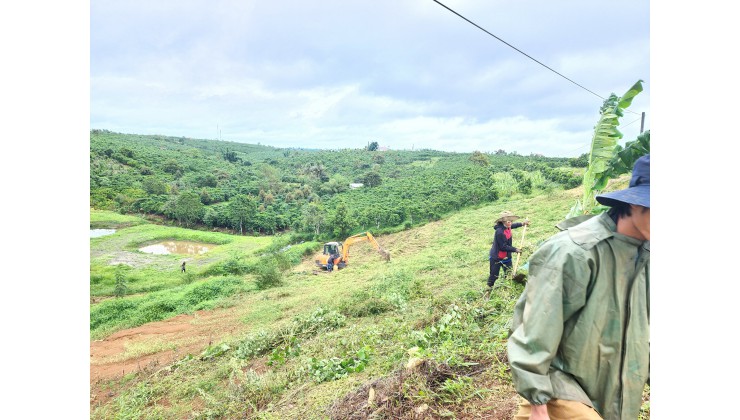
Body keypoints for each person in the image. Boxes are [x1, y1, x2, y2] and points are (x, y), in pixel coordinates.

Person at [507, 154, 650, 420]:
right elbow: (535, 328)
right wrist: (537, 406)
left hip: (614, 390)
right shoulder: (574, 252)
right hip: (561, 389)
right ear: (633, 204)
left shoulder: (647, 255)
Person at [487, 211, 529, 289]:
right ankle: (488, 289)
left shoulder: (507, 226)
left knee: (509, 273)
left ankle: (508, 287)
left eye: (511, 221)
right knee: (494, 275)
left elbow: (513, 225)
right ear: (503, 222)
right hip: (497, 257)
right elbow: (503, 247)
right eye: (509, 222)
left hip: (506, 256)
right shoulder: (499, 232)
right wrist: (515, 249)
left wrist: (522, 224)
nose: (510, 223)